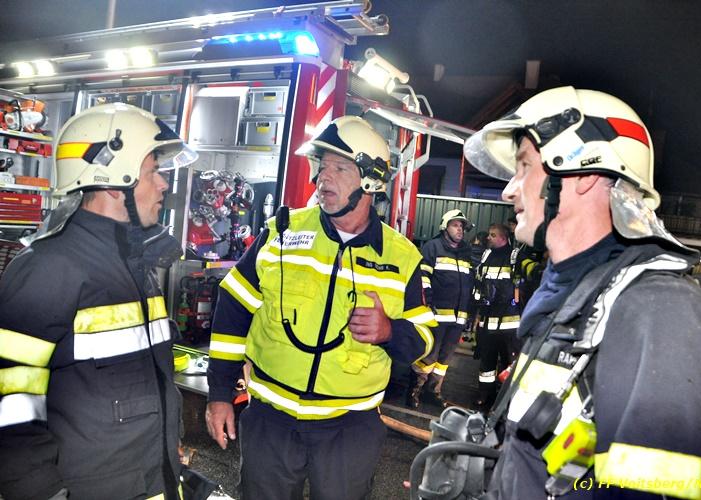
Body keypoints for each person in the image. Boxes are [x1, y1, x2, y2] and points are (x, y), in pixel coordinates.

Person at [462, 86, 701, 498]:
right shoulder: (573, 300)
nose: (509, 190)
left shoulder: (659, 313)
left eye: (524, 167)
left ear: (583, 174)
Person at [205, 115, 435, 499]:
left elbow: (426, 337)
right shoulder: (282, 233)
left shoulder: (403, 257)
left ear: (371, 180)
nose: (322, 178)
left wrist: (390, 332)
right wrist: (219, 393)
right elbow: (233, 310)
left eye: (339, 168)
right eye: (321, 166)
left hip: (350, 429)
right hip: (271, 420)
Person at [0, 103, 195, 499]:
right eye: (153, 171)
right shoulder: (48, 269)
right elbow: (10, 402)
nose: (163, 184)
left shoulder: (135, 266)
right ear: (113, 181)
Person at [407, 209, 474, 408]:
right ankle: (415, 389)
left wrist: (469, 312)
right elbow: (423, 277)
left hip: (458, 317)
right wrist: (428, 303)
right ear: (445, 227)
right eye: (455, 225)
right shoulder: (433, 247)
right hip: (437, 314)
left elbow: (468, 283)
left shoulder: (466, 252)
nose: (460, 229)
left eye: (462, 226)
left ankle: (433, 391)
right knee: (429, 355)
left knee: (445, 359)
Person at [474, 223, 522, 409]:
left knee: (509, 363)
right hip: (487, 322)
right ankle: (485, 394)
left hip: (508, 324)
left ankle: (506, 400)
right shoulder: (486, 255)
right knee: (487, 362)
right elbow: (479, 281)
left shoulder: (514, 257)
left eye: (493, 235)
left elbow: (520, 285)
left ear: (503, 238)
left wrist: (501, 294)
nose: (488, 238)